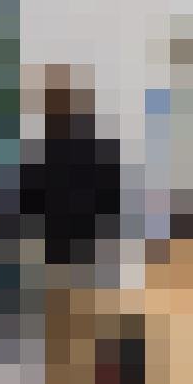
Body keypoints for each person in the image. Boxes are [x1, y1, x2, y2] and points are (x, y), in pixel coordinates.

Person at [18, 66, 128, 290]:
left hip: (69, 254)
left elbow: (28, 203)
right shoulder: (99, 151)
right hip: (85, 255)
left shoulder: (40, 153)